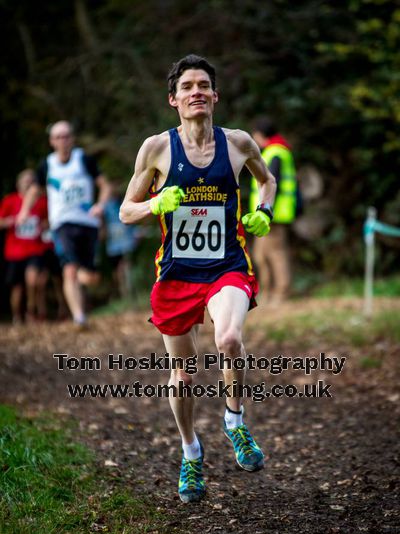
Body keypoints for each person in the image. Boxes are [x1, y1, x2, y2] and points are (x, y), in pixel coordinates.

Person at [120, 55, 276, 503]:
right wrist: (155, 204)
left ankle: (235, 421)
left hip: (227, 265)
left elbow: (268, 182)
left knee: (228, 338)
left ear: (215, 95)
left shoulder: (238, 143)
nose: (196, 92)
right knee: (183, 376)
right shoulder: (156, 149)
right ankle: (190, 451)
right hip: (176, 273)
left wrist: (263, 211)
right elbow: (125, 211)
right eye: (187, 86)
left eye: (204, 85)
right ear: (174, 99)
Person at [16, 121, 112, 327]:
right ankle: (79, 317)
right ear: (52, 141)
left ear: (72, 138)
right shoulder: (47, 165)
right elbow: (34, 190)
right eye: (58, 137)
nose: (63, 140)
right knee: (69, 269)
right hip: (61, 223)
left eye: (66, 136)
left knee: (90, 277)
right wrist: (24, 211)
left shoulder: (84, 160)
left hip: (88, 222)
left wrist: (100, 205)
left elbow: (105, 185)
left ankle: (82, 280)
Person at [249, 116, 299, 305]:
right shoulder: (272, 151)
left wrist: (266, 211)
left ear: (261, 134)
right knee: (261, 255)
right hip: (265, 214)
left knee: (276, 254)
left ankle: (282, 293)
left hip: (274, 214)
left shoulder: (276, 152)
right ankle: (267, 292)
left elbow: (272, 184)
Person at [0, 169, 49, 323]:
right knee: (17, 288)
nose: (28, 183)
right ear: (18, 184)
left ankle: (30, 309)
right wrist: (9, 221)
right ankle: (16, 316)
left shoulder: (41, 202)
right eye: (25, 181)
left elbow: (50, 220)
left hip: (35, 249)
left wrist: (43, 225)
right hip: (14, 252)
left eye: (31, 181)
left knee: (33, 280)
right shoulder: (9, 201)